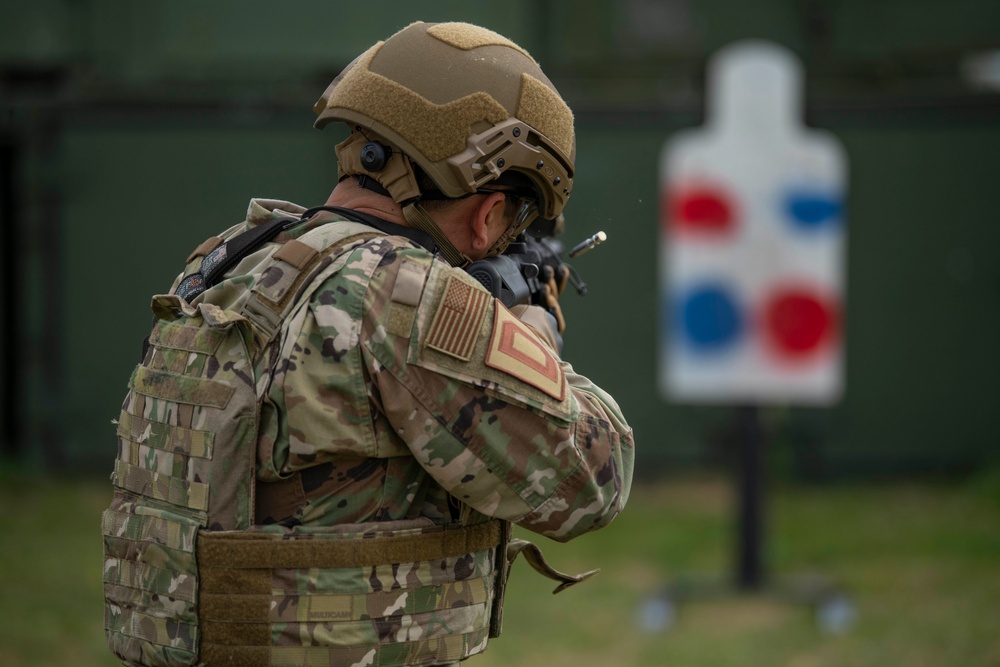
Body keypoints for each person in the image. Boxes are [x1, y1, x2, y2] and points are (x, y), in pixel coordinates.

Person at [104, 21, 633, 667]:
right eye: (514, 221)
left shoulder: (227, 258)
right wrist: (538, 342)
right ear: (490, 211)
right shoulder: (409, 295)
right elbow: (590, 481)